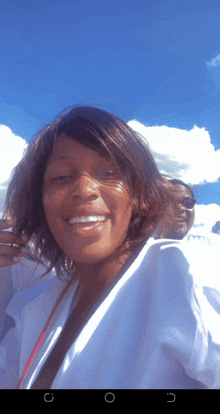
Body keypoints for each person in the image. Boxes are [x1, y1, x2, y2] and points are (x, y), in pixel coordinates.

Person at [0, 105, 220, 389]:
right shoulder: (35, 307)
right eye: (61, 177)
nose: (85, 189)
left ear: (138, 194)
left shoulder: (183, 276)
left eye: (109, 172)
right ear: (39, 201)